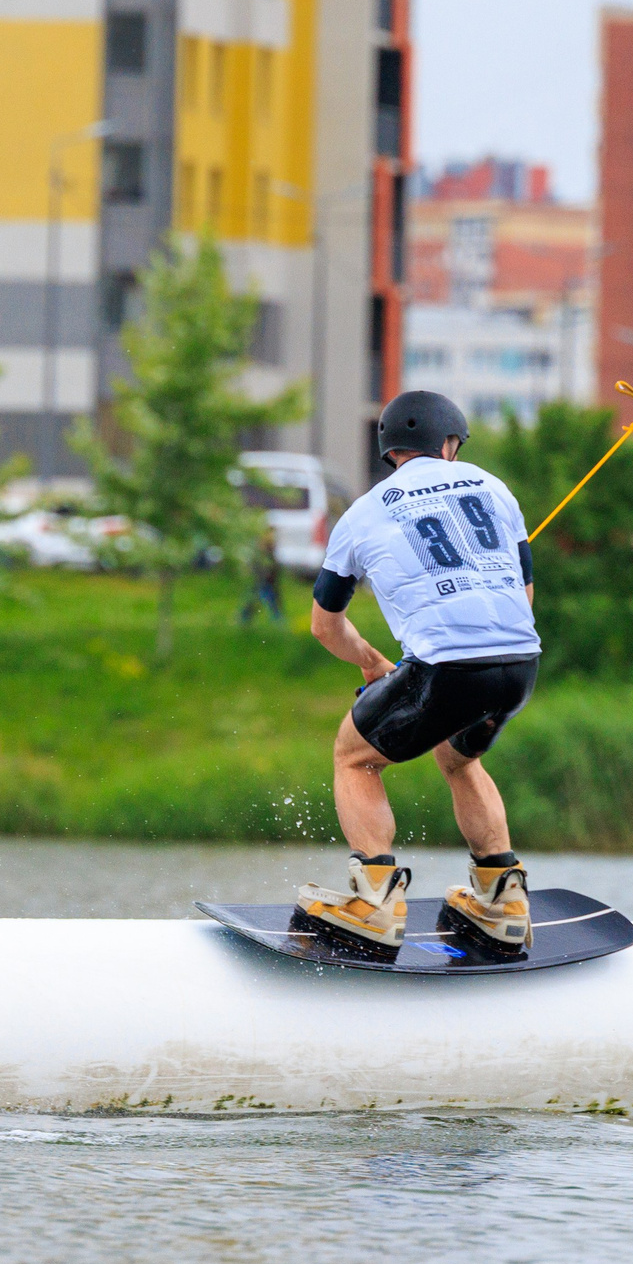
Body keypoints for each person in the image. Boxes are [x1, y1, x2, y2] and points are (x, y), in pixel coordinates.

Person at [293, 390, 541, 953]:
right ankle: (502, 900)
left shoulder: (363, 513)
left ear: (392, 452)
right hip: (520, 666)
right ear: (448, 443)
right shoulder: (494, 487)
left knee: (355, 755)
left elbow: (325, 626)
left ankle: (374, 902)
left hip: (448, 669)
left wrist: (374, 662)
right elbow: (523, 597)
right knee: (458, 754)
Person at [238, 527, 282, 624]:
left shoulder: (269, 549)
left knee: (269, 601)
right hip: (262, 579)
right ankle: (243, 619)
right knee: (256, 600)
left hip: (268, 580)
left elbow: (274, 565)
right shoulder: (260, 551)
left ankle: (279, 622)